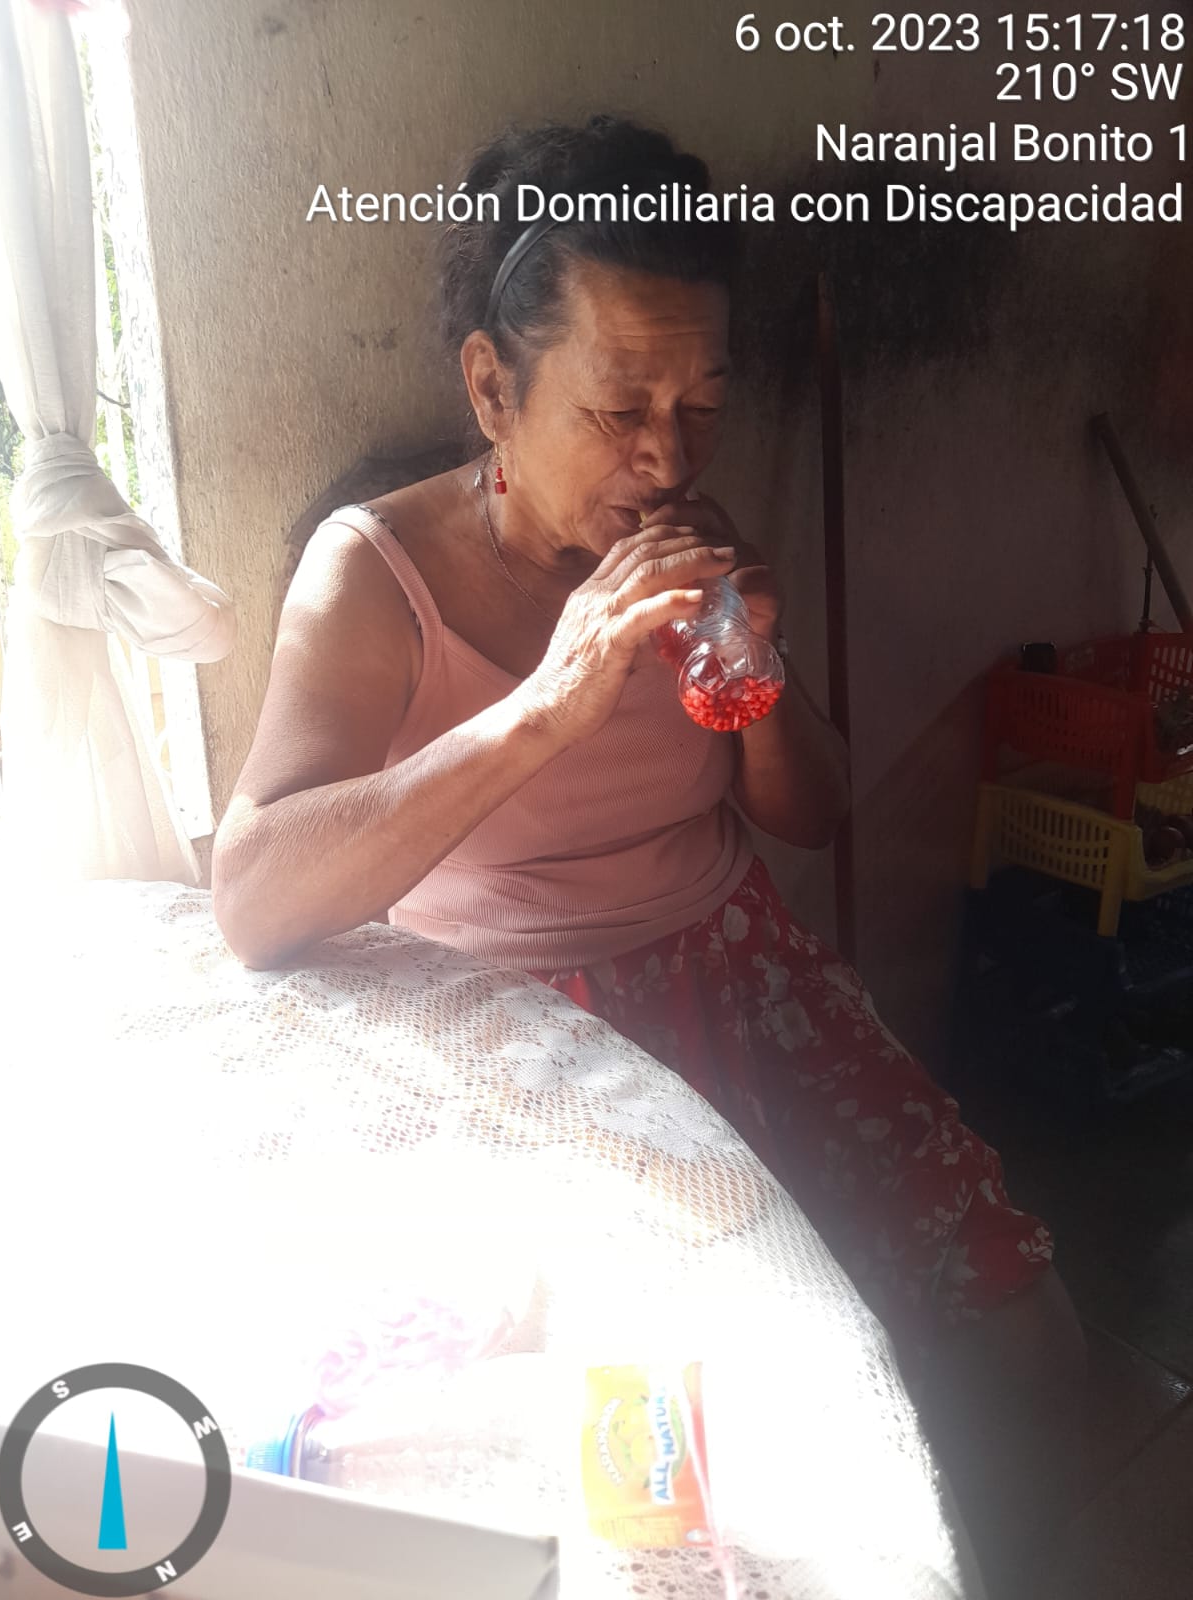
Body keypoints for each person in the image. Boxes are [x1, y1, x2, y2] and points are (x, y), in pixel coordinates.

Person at [212, 114, 1086, 1453]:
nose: (669, 460)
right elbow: (253, 900)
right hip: (514, 1028)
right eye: (620, 410)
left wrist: (758, 671)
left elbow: (809, 814)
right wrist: (549, 703)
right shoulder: (375, 575)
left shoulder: (689, 537)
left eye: (701, 407)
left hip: (743, 972)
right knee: (670, 1416)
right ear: (493, 388)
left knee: (1015, 1330)